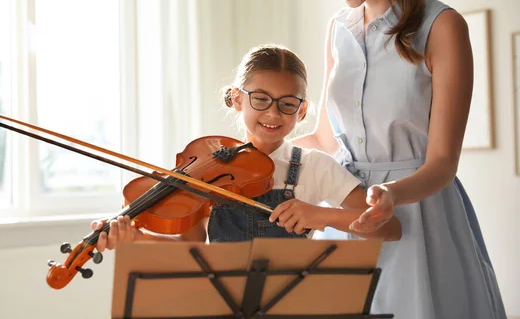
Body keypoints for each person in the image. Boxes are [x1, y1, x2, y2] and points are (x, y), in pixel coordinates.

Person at [293, 0, 507, 318]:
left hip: (420, 216)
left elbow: (442, 163)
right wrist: (248, 153)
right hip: (346, 211)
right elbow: (325, 139)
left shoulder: (441, 26)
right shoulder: (337, 30)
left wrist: (391, 193)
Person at [91, 45, 401, 248]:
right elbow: (192, 249)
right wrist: (137, 237)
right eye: (261, 99)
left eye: (288, 104)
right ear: (238, 99)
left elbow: (389, 229)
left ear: (302, 110)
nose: (273, 113)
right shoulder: (204, 169)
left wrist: (321, 216)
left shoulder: (314, 166)